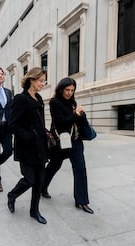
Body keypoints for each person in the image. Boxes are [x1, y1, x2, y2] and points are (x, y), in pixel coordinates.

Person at [42, 77, 94, 214]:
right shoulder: (54, 103)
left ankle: (82, 201)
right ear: (61, 89)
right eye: (67, 90)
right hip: (61, 142)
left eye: (72, 90)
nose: (70, 92)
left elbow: (75, 121)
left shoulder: (73, 102)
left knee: (80, 169)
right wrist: (76, 114)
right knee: (54, 166)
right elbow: (61, 123)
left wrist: (80, 114)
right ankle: (42, 186)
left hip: (75, 141)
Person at [7, 67, 49, 224]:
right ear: (31, 80)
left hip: (41, 147)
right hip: (26, 147)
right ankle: (12, 195)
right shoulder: (20, 98)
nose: (43, 83)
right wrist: (29, 136)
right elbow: (13, 124)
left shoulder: (38, 98)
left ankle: (34, 211)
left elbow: (40, 122)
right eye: (41, 80)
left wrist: (44, 133)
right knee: (30, 179)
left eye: (44, 81)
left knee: (39, 180)